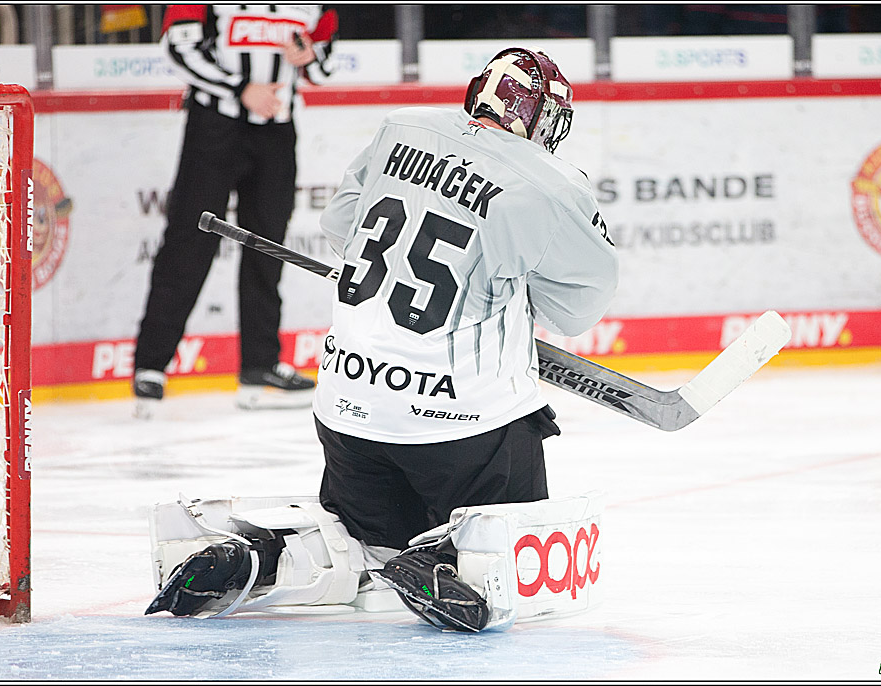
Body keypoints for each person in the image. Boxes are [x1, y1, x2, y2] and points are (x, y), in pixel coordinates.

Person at [144, 47, 619, 632]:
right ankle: (460, 565)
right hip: (462, 430)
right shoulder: (549, 183)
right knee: (517, 543)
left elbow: (341, 228)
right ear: (541, 117)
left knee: (369, 549)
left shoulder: (402, 128)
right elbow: (577, 312)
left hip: (346, 415)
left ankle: (268, 557)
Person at [132, 5, 337, 418]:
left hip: (278, 130)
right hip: (215, 127)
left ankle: (260, 364)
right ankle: (152, 364)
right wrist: (240, 87)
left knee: (268, 245)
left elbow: (325, 64)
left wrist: (308, 56)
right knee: (190, 241)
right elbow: (179, 49)